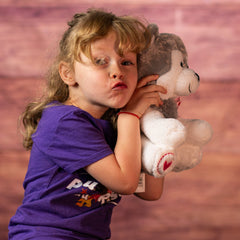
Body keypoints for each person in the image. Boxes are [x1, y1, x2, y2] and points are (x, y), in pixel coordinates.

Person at [8, 9, 167, 240]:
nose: (117, 72)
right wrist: (129, 117)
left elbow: (151, 191)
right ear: (68, 73)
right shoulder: (64, 122)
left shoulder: (116, 127)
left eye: (126, 62)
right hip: (46, 235)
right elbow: (125, 183)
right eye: (101, 62)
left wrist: (155, 124)